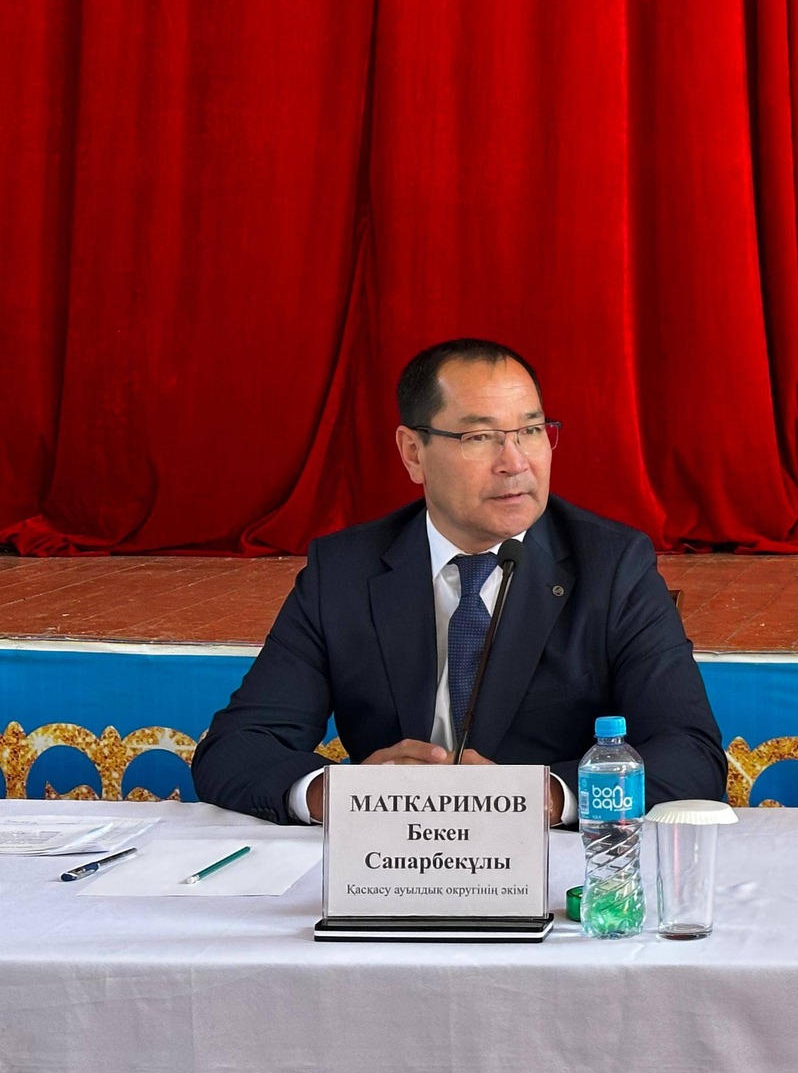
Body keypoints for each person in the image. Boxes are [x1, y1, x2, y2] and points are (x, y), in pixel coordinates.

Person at [193, 339, 725, 825]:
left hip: (549, 862)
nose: (515, 463)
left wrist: (544, 797)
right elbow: (237, 747)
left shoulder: (611, 565)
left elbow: (691, 753)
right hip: (390, 860)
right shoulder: (344, 571)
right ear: (413, 452)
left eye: (531, 431)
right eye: (480, 437)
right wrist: (341, 795)